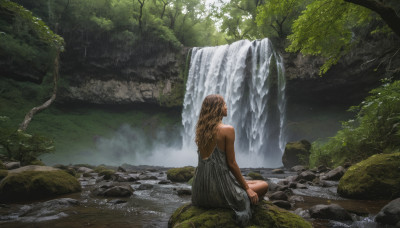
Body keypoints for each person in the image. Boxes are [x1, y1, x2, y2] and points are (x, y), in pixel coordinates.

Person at [191, 94, 268, 226]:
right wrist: (248, 190)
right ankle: (244, 192)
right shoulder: (227, 130)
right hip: (220, 191)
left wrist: (244, 184)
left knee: (251, 182)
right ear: (217, 108)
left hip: (200, 191)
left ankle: (243, 186)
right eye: (224, 104)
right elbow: (231, 164)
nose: (227, 107)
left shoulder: (202, 131)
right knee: (264, 185)